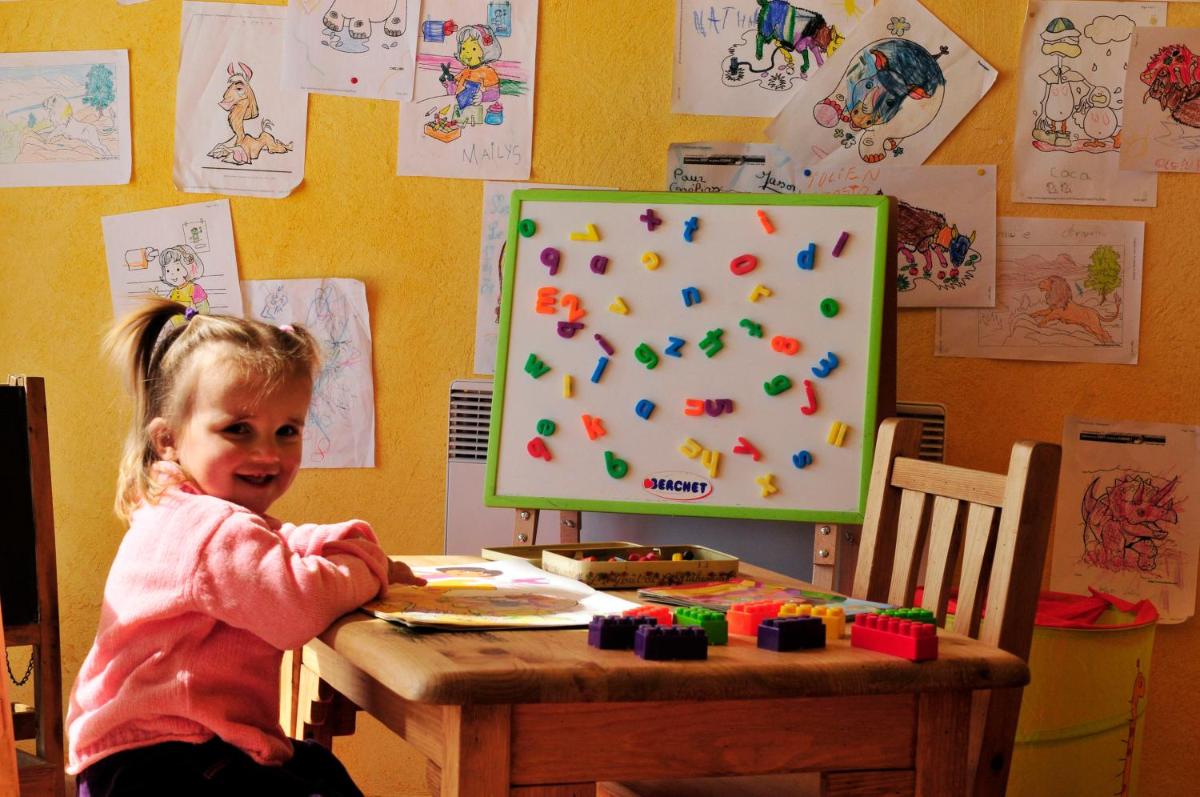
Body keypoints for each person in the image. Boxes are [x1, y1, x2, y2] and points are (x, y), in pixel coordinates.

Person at [67, 298, 425, 796]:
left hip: (147, 752)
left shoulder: (185, 510)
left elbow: (271, 541)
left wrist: (338, 541)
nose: (267, 453)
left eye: (287, 431)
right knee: (318, 780)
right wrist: (368, 569)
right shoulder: (208, 529)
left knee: (319, 770)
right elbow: (299, 606)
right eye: (238, 429)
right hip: (164, 763)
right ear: (168, 439)